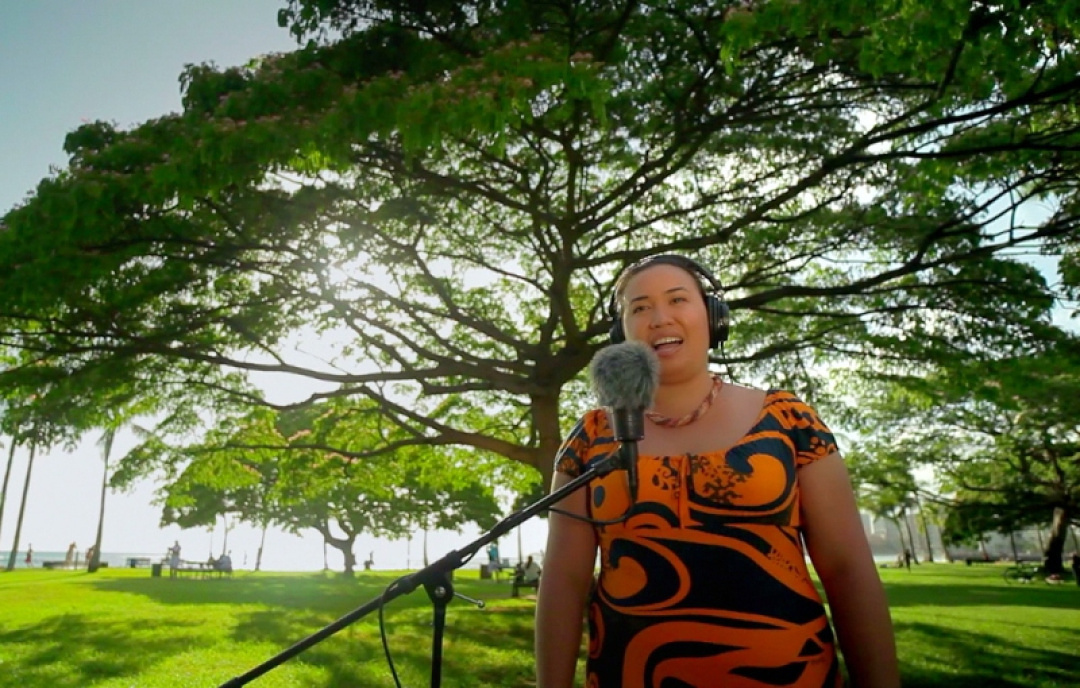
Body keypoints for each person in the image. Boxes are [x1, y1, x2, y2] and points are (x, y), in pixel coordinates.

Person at [535, 254, 900, 688]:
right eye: (640, 307)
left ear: (713, 317)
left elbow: (847, 569)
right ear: (622, 335)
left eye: (677, 299)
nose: (660, 318)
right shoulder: (590, 437)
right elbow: (563, 582)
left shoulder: (789, 420)